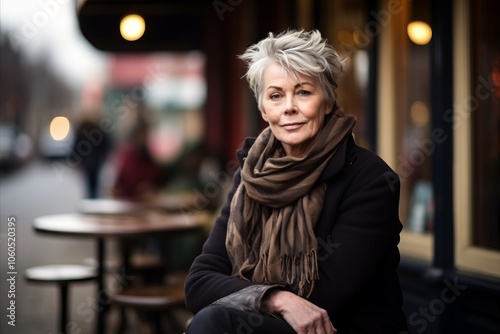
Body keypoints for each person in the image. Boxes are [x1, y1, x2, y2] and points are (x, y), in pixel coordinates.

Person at [184, 29, 408, 334]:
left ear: (327, 102)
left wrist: (245, 296)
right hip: (268, 322)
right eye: (276, 95)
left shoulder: (369, 179)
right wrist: (277, 298)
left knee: (214, 322)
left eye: (303, 92)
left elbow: (326, 296)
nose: (289, 107)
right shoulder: (251, 173)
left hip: (342, 327)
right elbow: (199, 281)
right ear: (264, 109)